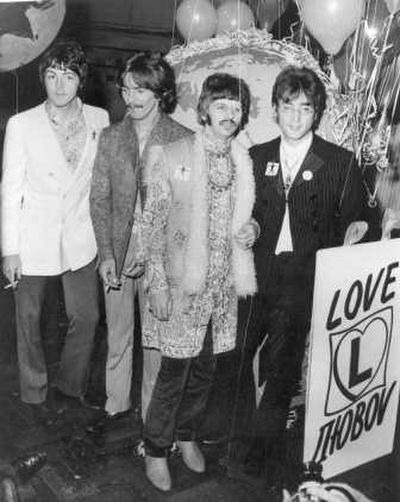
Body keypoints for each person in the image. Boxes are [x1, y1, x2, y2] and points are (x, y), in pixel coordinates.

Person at [238, 65, 371, 487]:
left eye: (305, 109)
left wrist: (359, 228)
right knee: (235, 359)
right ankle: (239, 436)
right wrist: (251, 227)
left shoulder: (340, 161)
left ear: (316, 114)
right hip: (255, 275)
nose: (295, 117)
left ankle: (261, 452)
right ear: (275, 110)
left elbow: (358, 215)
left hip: (302, 280)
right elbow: (251, 212)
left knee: (281, 370)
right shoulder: (255, 156)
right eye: (287, 107)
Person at [140, 72, 257, 491]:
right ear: (203, 109)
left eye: (237, 106)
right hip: (180, 285)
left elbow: (245, 220)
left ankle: (187, 438)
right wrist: (155, 282)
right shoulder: (170, 154)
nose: (229, 113)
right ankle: (155, 450)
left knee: (205, 373)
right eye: (221, 104)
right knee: (174, 373)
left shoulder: (243, 160)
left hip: (223, 291)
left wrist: (253, 231)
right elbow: (149, 223)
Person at [1, 41, 109, 424]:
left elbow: (99, 183)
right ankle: (33, 392)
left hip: (81, 238)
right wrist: (9, 250)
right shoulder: (22, 124)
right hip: (33, 239)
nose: (59, 85)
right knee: (28, 319)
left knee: (88, 316)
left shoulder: (99, 119)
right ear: (42, 79)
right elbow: (10, 189)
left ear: (81, 80)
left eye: (68, 75)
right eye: (51, 75)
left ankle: (69, 386)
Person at [90, 52, 192, 425]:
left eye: (140, 91)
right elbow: (99, 198)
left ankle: (153, 415)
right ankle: (116, 402)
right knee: (118, 333)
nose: (130, 99)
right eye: (126, 90)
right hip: (117, 248)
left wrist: (153, 256)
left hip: (160, 257)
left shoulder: (182, 139)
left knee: (155, 342)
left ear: (161, 93)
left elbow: (184, 211)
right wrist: (106, 255)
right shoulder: (111, 137)